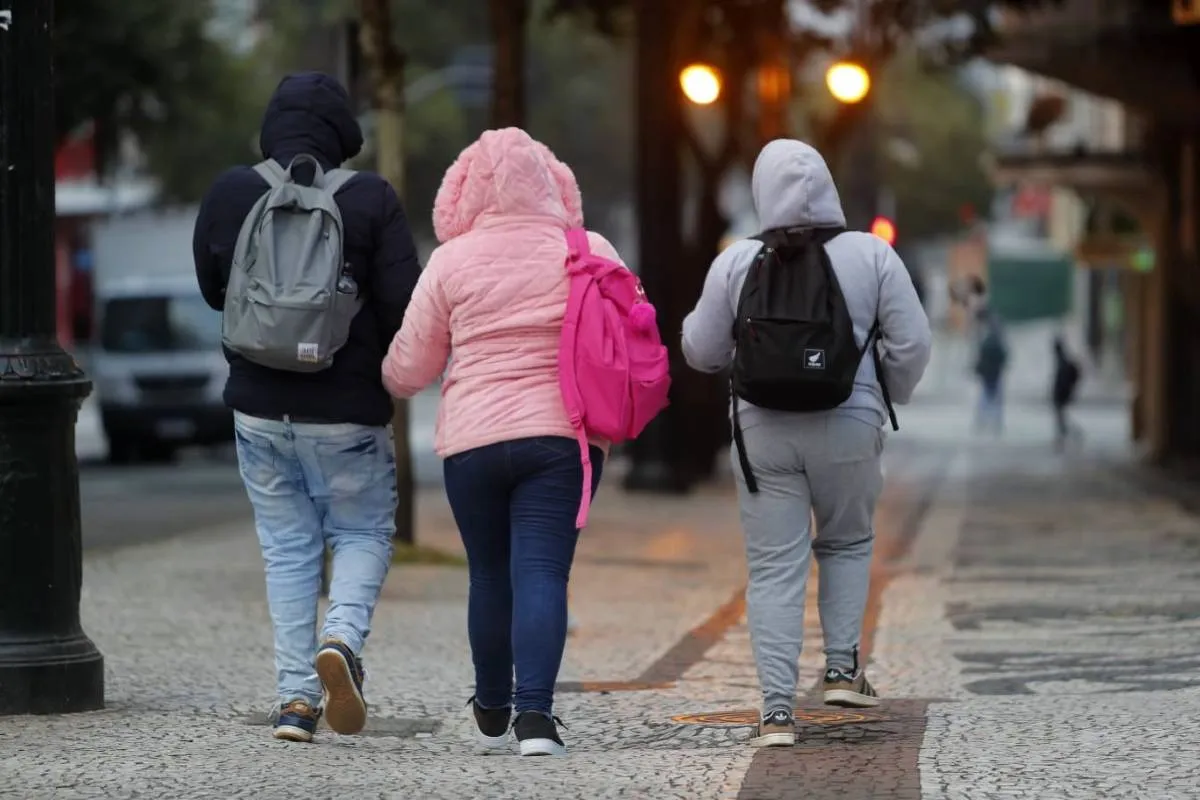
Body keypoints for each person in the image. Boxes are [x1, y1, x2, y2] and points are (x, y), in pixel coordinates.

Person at [381, 128, 626, 757]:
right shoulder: (589, 249)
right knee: (542, 571)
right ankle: (536, 719)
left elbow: (407, 370)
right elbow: (630, 337)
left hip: (474, 442)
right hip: (562, 438)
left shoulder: (451, 261)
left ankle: (491, 699)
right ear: (554, 185)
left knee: (489, 574)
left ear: (466, 192)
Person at [193, 73, 421, 742]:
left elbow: (215, 293)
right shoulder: (372, 198)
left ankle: (296, 702)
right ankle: (342, 642)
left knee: (287, 549)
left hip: (259, 407)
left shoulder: (231, 192)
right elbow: (404, 304)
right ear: (342, 135)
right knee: (363, 533)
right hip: (348, 410)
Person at [681, 139, 931, 747]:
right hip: (850, 422)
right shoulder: (873, 255)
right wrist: (885, 392)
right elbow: (913, 344)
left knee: (773, 567)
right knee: (846, 542)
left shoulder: (737, 262)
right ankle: (843, 668)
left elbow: (700, 350)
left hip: (762, 432)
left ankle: (775, 713)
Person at [974, 313, 1008, 436]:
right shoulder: (998, 342)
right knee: (996, 401)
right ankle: (995, 424)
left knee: (984, 400)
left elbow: (980, 357)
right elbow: (1004, 358)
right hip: (996, 374)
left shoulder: (987, 342)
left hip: (987, 375)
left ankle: (982, 422)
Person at [1052, 336, 1082, 451]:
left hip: (1061, 395)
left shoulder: (1061, 360)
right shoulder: (1062, 359)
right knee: (1061, 419)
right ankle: (1062, 438)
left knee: (1061, 419)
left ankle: (1065, 437)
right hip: (1062, 394)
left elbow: (1061, 380)